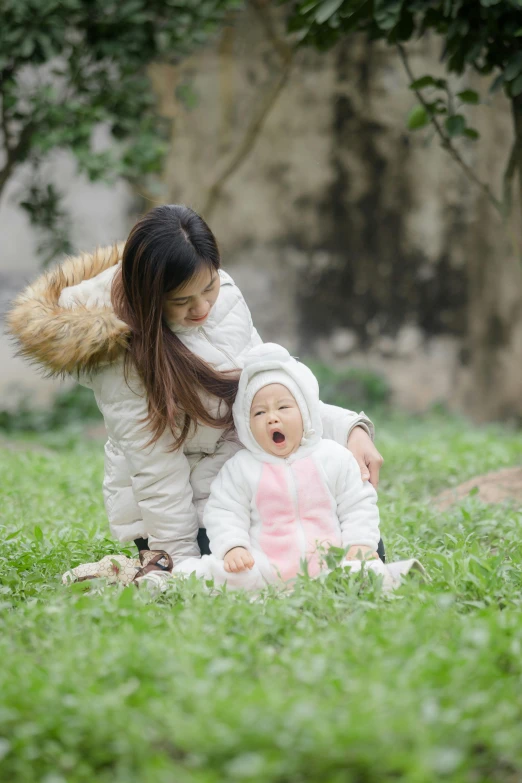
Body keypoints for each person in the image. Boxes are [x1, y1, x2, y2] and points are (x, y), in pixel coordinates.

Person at [8, 204, 383, 566]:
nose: (202, 307)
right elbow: (157, 471)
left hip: (250, 471)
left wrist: (350, 429)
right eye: (181, 300)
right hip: (184, 507)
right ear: (149, 296)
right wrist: (181, 562)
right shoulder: (118, 352)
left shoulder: (225, 295)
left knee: (364, 548)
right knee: (272, 561)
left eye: (210, 286)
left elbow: (266, 389)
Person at [175, 343, 381, 590]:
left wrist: (360, 543)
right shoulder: (241, 468)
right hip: (264, 567)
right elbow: (224, 511)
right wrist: (233, 546)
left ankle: (379, 574)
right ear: (246, 425)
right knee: (220, 575)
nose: (272, 417)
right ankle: (175, 578)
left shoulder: (334, 457)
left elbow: (358, 504)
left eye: (283, 407)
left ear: (305, 412)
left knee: (366, 569)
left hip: (332, 563)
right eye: (259, 413)